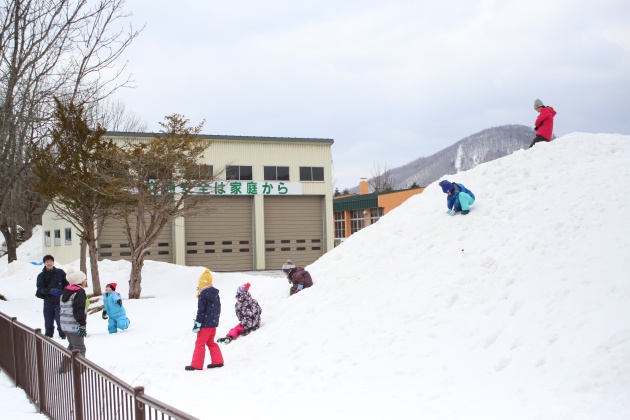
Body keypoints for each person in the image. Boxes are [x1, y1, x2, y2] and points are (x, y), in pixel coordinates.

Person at [185, 268, 224, 371]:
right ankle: (218, 361)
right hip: (213, 324)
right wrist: (214, 321)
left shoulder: (203, 295)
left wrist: (198, 323)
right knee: (211, 342)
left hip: (205, 325)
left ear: (201, 283)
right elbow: (217, 309)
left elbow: (201, 311)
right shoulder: (215, 295)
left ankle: (196, 365)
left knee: (200, 343)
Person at [58, 268, 89, 372]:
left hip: (65, 324)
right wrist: (82, 323)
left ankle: (63, 369)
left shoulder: (66, 291)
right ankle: (81, 371)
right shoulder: (79, 292)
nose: (86, 282)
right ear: (80, 282)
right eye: (85, 280)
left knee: (72, 346)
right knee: (80, 348)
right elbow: (78, 310)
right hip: (74, 325)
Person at [35, 254, 69, 339]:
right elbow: (40, 288)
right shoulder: (41, 276)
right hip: (48, 300)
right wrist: (50, 291)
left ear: (53, 262)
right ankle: (48, 336)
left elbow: (67, 285)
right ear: (44, 263)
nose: (49, 263)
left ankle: (63, 335)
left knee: (59, 318)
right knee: (48, 319)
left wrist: (62, 292)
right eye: (47, 262)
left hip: (59, 300)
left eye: (50, 261)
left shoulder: (60, 272)